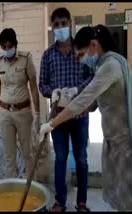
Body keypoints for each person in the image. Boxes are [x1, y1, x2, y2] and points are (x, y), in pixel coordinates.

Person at [39, 25, 132, 211]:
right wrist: (69, 99)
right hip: (116, 142)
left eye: (81, 55)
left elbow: (82, 101)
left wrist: (51, 124)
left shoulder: (111, 66)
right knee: (123, 193)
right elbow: (93, 104)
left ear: (93, 45)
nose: (81, 61)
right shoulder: (105, 65)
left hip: (126, 143)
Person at [38, 8, 95, 212]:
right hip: (58, 117)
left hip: (80, 114)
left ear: (70, 23)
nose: (60, 28)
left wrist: (76, 90)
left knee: (81, 158)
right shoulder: (48, 55)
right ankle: (60, 202)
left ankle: (82, 202)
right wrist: (52, 92)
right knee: (60, 158)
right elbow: (42, 84)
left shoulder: (82, 50)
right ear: (52, 28)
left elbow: (93, 77)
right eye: (56, 25)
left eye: (64, 23)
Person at [0, 28, 40, 178]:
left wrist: (37, 114)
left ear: (16, 44)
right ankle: (12, 191)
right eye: (4, 47)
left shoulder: (26, 59)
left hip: (23, 112)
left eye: (10, 47)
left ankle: (31, 189)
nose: (7, 50)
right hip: (4, 113)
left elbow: (34, 88)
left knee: (27, 153)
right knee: (10, 156)